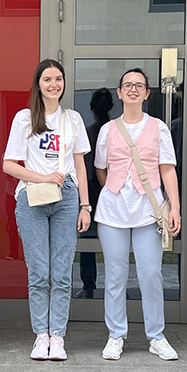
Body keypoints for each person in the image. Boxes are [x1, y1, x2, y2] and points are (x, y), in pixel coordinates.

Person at [3, 59, 92, 361]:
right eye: (47, 79)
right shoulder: (24, 118)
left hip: (66, 197)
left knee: (62, 272)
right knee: (39, 272)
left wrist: (85, 205)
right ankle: (41, 335)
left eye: (58, 79)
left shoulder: (73, 118)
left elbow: (80, 165)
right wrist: (42, 177)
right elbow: (9, 165)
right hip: (33, 197)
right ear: (38, 84)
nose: (54, 85)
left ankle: (58, 336)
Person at [93, 69, 181, 361]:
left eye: (139, 85)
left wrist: (175, 207)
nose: (133, 89)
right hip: (112, 213)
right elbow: (101, 169)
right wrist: (115, 188)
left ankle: (156, 336)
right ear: (119, 93)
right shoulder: (108, 129)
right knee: (115, 275)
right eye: (127, 85)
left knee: (151, 274)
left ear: (147, 93)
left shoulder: (158, 127)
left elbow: (167, 169)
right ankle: (116, 334)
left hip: (149, 212)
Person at [76, 88, 113, 300]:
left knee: (87, 238)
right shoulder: (114, 130)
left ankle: (88, 285)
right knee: (115, 242)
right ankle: (116, 286)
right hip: (112, 189)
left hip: (90, 190)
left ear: (91, 108)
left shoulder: (89, 132)